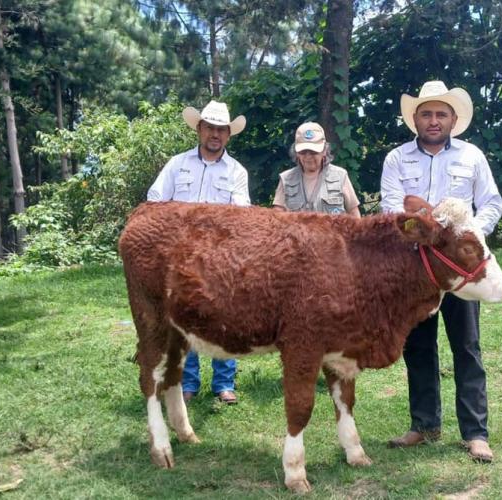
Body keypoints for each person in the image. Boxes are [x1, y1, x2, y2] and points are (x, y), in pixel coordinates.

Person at [380, 80, 502, 462]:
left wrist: (468, 236)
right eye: (427, 114)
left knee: (466, 345)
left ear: (453, 120)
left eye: (441, 114)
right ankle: (424, 425)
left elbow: (491, 202)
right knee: (418, 346)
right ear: (415, 118)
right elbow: (390, 208)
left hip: (461, 269)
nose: (433, 121)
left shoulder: (472, 156)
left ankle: (475, 433)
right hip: (416, 269)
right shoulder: (397, 159)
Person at [147, 99, 250, 405]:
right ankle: (187, 382)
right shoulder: (177, 164)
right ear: (199, 129)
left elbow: (242, 214)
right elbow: (155, 198)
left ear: (228, 135)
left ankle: (224, 383)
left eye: (221, 129)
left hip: (221, 256)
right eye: (209, 128)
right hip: (181, 255)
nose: (215, 135)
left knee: (224, 317)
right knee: (183, 318)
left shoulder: (236, 171)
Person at [273, 122, 361, 217]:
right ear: (296, 153)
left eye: (313, 152)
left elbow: (354, 214)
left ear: (324, 151)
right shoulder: (286, 179)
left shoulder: (340, 176)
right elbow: (276, 217)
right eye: (303, 152)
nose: (308, 156)